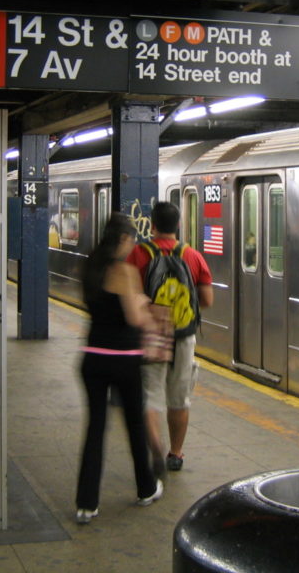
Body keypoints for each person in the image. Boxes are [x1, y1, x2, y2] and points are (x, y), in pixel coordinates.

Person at [75, 213, 162, 524]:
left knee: (95, 429)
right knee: (135, 425)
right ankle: (146, 488)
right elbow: (135, 319)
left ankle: (86, 504)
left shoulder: (90, 267)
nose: (132, 245)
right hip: (124, 358)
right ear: (123, 239)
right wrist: (140, 301)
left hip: (92, 358)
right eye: (131, 239)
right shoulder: (125, 271)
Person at [127, 201, 213, 475]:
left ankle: (154, 446)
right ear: (178, 225)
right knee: (179, 398)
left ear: (152, 225)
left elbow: (130, 296)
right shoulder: (194, 256)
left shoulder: (139, 254)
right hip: (184, 335)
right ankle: (175, 453)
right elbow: (207, 300)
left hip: (152, 334)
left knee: (151, 395)